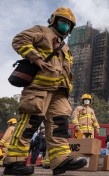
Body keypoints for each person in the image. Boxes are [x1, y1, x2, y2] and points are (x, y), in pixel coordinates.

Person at [3, 7, 87, 175]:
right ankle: (14, 162)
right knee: (30, 123)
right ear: (54, 20)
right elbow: (19, 40)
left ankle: (60, 160)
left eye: (68, 24)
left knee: (60, 125)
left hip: (60, 92)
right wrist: (36, 58)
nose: (65, 26)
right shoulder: (42, 31)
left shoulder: (65, 47)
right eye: (63, 22)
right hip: (39, 87)